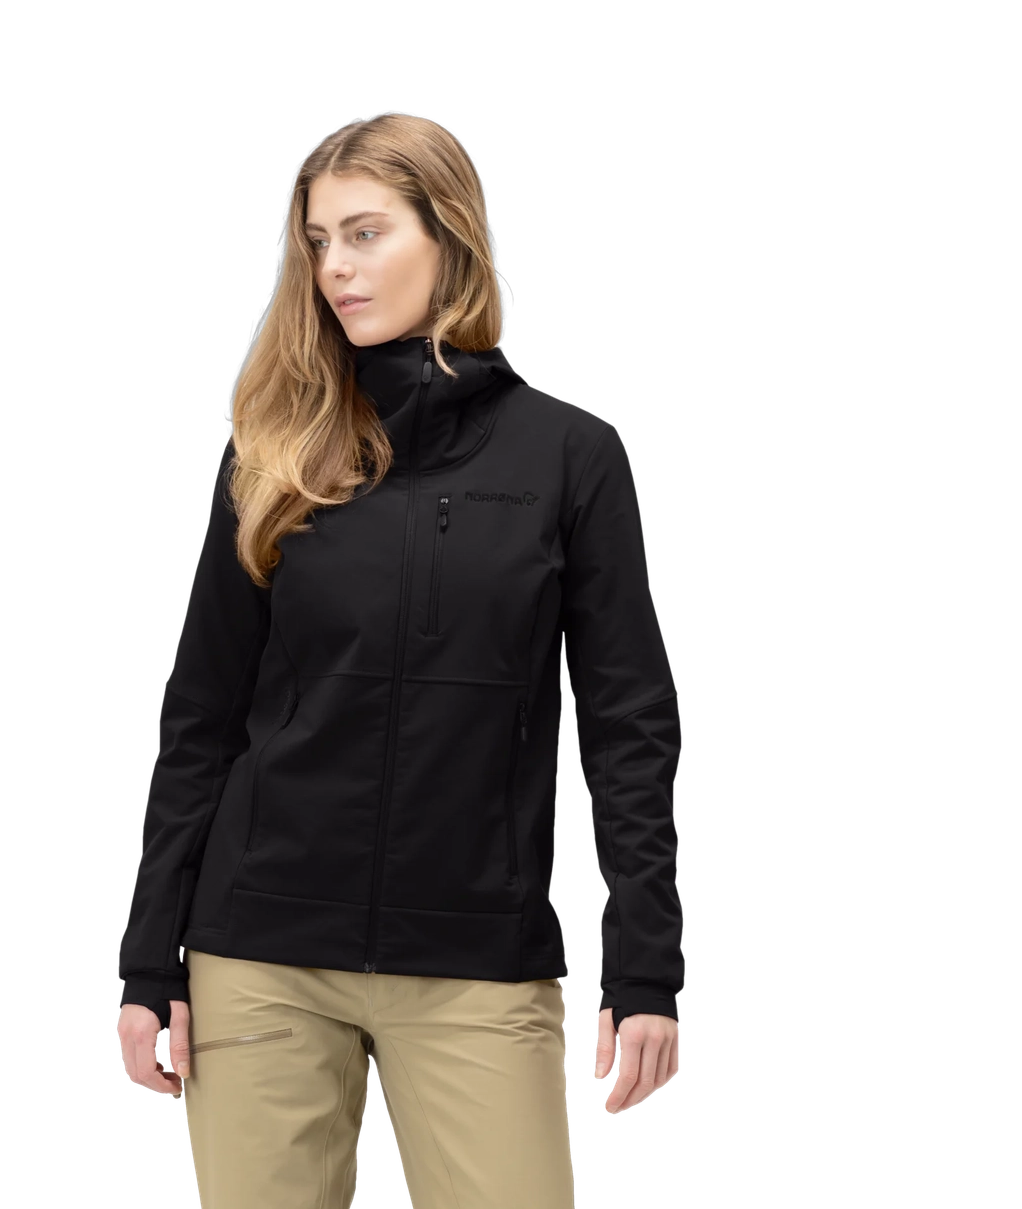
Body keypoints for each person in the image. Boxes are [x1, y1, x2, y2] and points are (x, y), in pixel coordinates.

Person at [116, 114, 683, 1206]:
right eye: (318, 241)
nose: (335, 266)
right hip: (259, 954)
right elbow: (198, 720)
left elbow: (628, 728)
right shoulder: (274, 454)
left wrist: (646, 968)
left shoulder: (571, 454)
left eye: (366, 232)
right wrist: (148, 963)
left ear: (448, 235)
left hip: (477, 959)